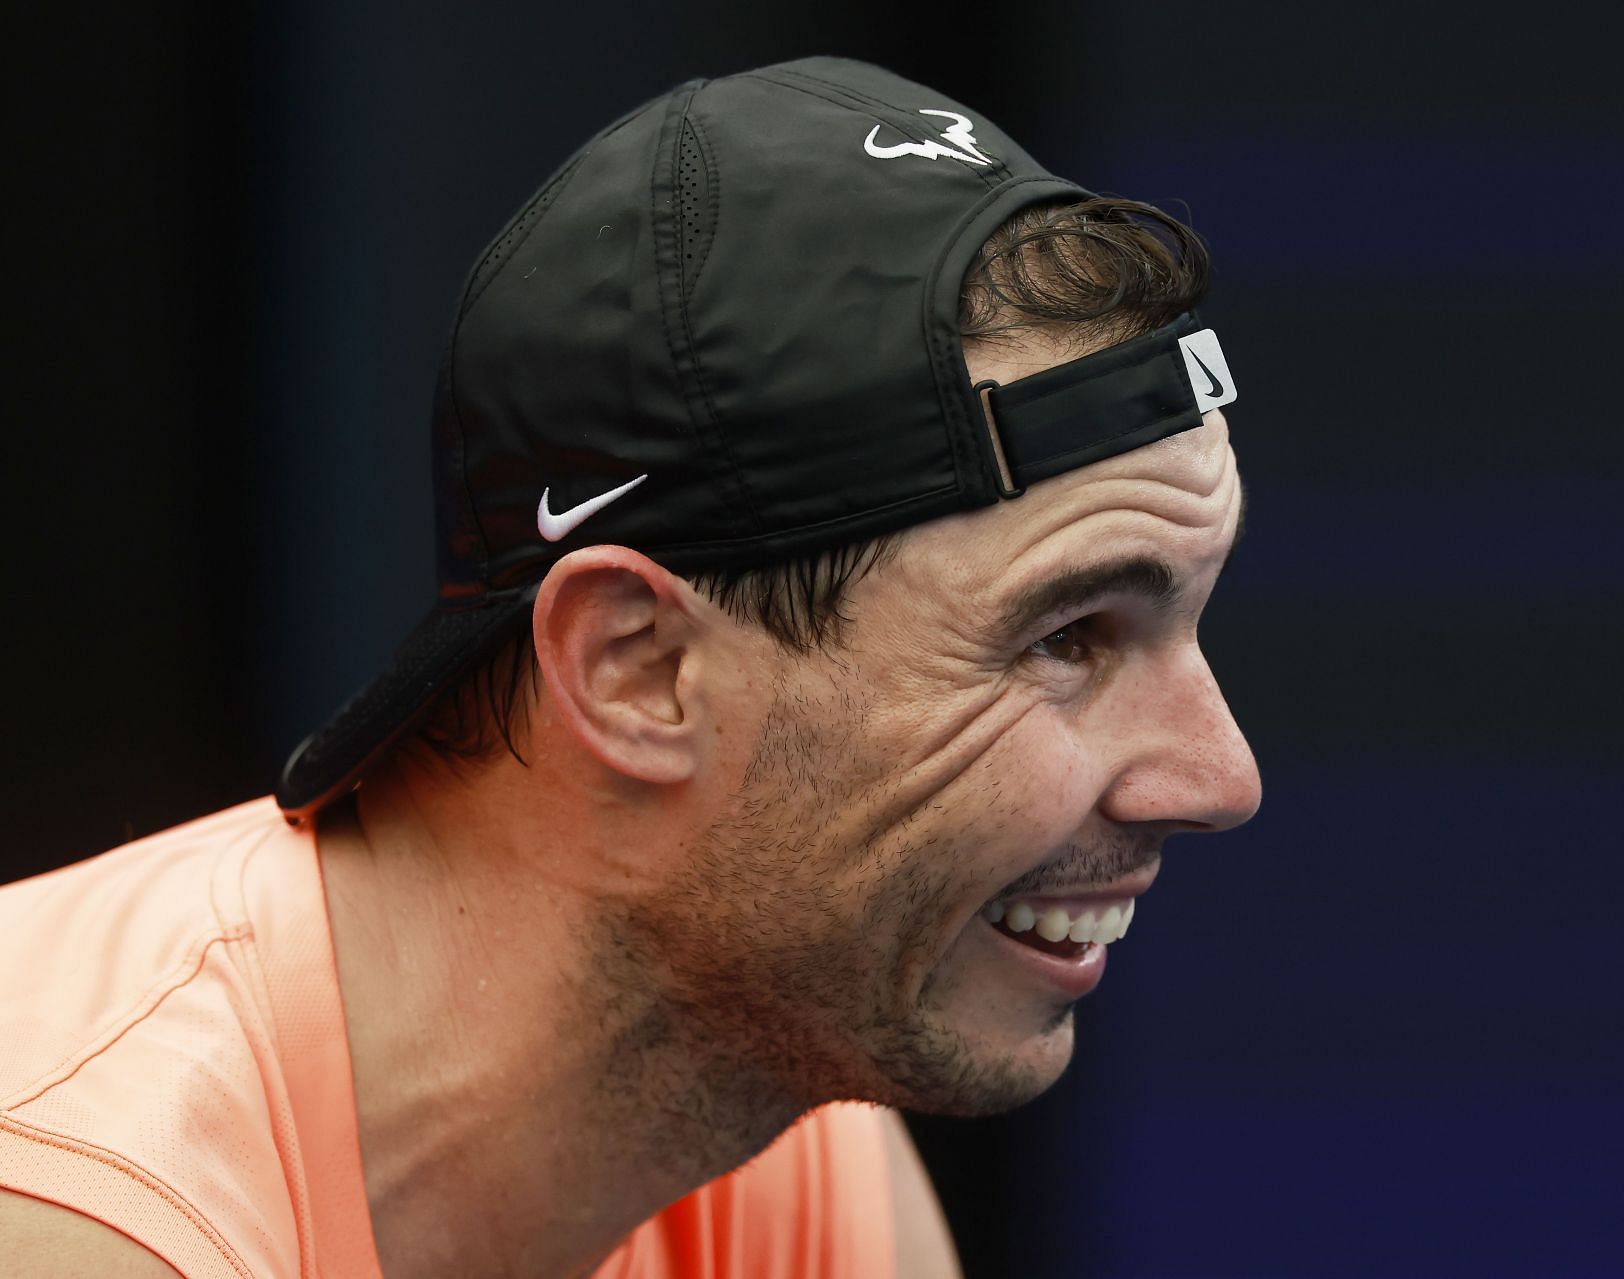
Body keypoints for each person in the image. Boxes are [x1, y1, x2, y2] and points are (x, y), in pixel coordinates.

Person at [0, 56, 1259, 1278]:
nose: (1220, 776)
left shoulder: (784, 1134)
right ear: (637, 669)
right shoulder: (80, 1205)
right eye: (1064, 638)